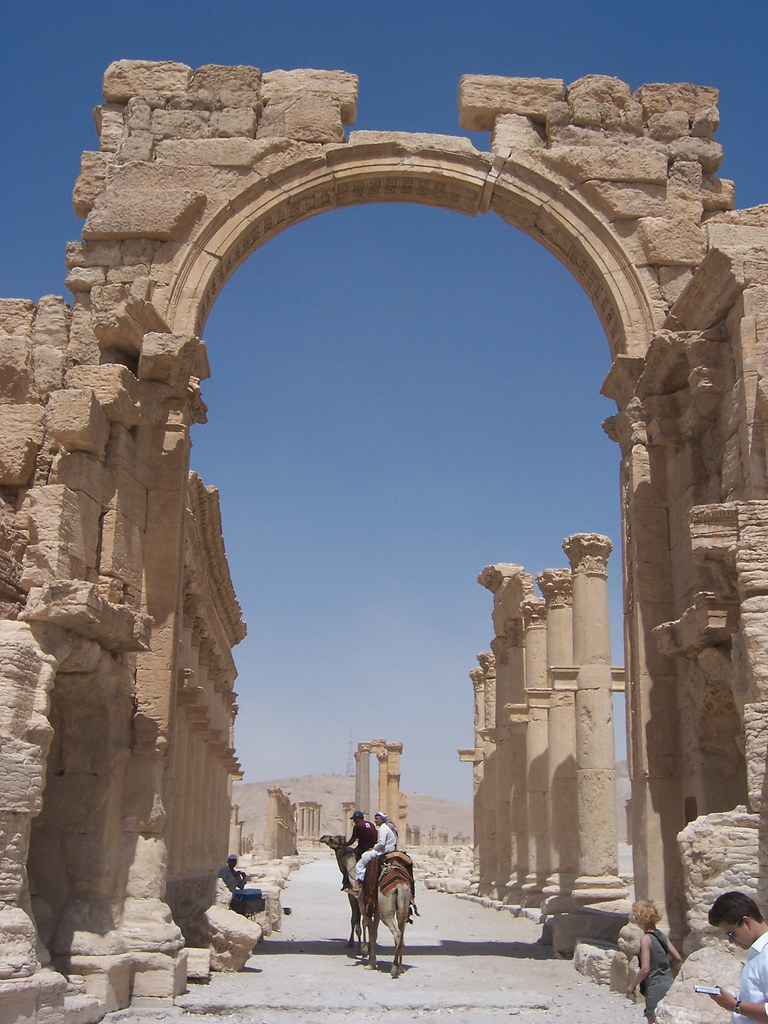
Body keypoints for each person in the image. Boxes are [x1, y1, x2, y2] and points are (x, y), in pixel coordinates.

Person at [707, 890, 768, 1022]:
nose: (730, 941)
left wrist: (735, 1006)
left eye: (731, 934)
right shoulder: (758, 953)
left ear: (746, 922)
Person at [626, 899, 682, 1022]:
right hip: (668, 981)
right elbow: (677, 957)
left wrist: (632, 985)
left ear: (640, 920)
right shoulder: (661, 935)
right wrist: (665, 967)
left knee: (652, 1019)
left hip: (655, 986)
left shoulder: (645, 939)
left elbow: (645, 969)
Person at [352, 810, 397, 892]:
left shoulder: (383, 829)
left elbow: (381, 843)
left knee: (361, 862)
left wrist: (374, 847)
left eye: (377, 819)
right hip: (389, 850)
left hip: (383, 852)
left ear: (382, 820)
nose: (375, 820)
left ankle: (359, 883)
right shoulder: (386, 828)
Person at [340, 810, 377, 890]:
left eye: (354, 819)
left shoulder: (357, 826)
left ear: (357, 819)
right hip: (374, 847)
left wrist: (345, 845)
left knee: (349, 861)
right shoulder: (370, 824)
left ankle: (347, 882)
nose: (353, 821)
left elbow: (353, 839)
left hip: (364, 848)